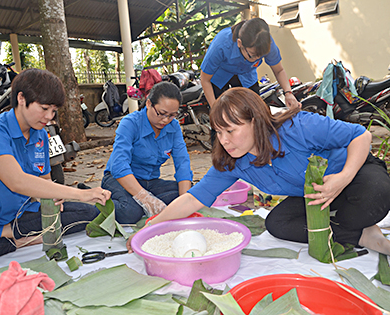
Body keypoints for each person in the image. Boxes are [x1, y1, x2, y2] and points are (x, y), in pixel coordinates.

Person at [127, 87, 390, 257]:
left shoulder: (297, 126)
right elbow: (193, 198)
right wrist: (149, 228)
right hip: (314, 194)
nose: (224, 140)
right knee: (277, 224)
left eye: (230, 130)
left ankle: (353, 217)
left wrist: (342, 178)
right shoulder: (232, 161)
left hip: (354, 172)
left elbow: (361, 136)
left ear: (256, 121)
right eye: (219, 132)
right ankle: (363, 236)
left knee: (372, 200)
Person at [0, 68, 111, 272]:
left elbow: (44, 180)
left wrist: (52, 197)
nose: (49, 117)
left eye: (53, 111)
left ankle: (15, 238)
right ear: (21, 98)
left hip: (23, 214)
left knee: (87, 213)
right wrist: (81, 193)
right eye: (44, 108)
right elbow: (17, 181)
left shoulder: (41, 135)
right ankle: (5, 236)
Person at [101, 81, 193, 224]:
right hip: (119, 179)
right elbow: (119, 166)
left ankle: (137, 201)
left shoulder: (174, 127)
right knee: (130, 212)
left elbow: (182, 164)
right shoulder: (130, 123)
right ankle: (100, 202)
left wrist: (185, 203)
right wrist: (145, 198)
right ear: (149, 104)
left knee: (189, 193)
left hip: (150, 182)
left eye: (172, 115)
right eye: (162, 113)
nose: (165, 120)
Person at [200, 18, 300, 109]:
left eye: (260, 57)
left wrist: (288, 93)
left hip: (247, 76)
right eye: (252, 55)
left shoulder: (267, 44)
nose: (257, 59)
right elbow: (205, 79)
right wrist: (215, 110)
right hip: (219, 77)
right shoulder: (221, 45)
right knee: (222, 114)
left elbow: (279, 70)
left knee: (254, 111)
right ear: (239, 43)